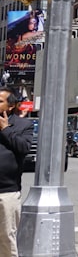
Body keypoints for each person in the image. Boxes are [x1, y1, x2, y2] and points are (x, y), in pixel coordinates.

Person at [0, 87, 32, 255]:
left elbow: (24, 147)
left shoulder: (23, 125)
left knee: (6, 237)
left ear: (10, 106)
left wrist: (6, 130)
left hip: (7, 193)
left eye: (0, 101)